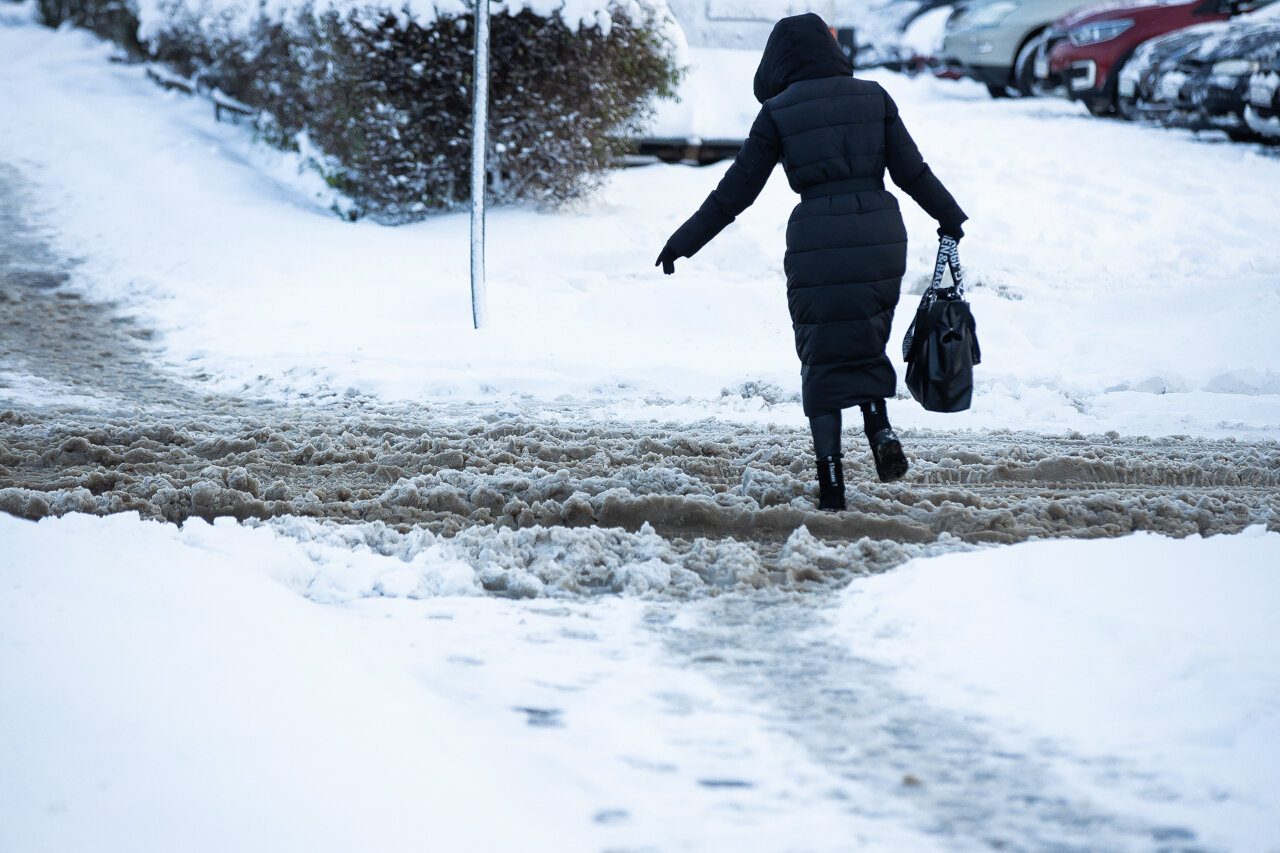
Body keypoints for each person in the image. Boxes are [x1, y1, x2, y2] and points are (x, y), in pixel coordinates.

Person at [655, 12, 967, 512]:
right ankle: (881, 430)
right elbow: (913, 172)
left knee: (822, 355)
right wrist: (950, 217)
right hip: (880, 234)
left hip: (817, 237)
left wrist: (683, 240)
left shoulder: (779, 110)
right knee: (864, 336)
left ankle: (831, 482)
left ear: (779, 59)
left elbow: (736, 192)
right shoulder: (874, 96)